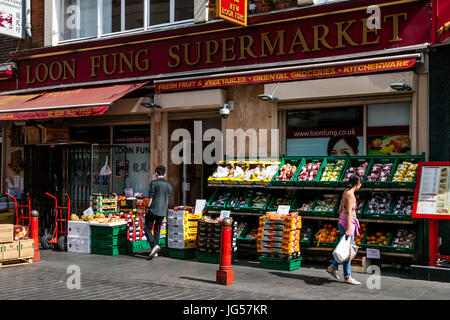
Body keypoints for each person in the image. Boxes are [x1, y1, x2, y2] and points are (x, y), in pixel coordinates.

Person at [327, 174, 362, 285]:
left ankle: (333, 267)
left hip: (342, 222)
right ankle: (347, 277)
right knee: (349, 251)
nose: (360, 186)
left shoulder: (345, 192)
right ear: (357, 184)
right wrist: (349, 228)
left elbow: (340, 208)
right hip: (347, 224)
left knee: (346, 250)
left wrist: (341, 221)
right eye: (360, 184)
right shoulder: (350, 195)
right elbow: (348, 212)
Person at [144, 165, 173, 260]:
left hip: (153, 209)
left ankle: (153, 245)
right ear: (164, 174)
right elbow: (168, 199)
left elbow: (151, 197)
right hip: (162, 211)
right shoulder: (169, 185)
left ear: (156, 173)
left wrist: (147, 206)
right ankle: (154, 249)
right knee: (157, 229)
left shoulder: (154, 183)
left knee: (147, 228)